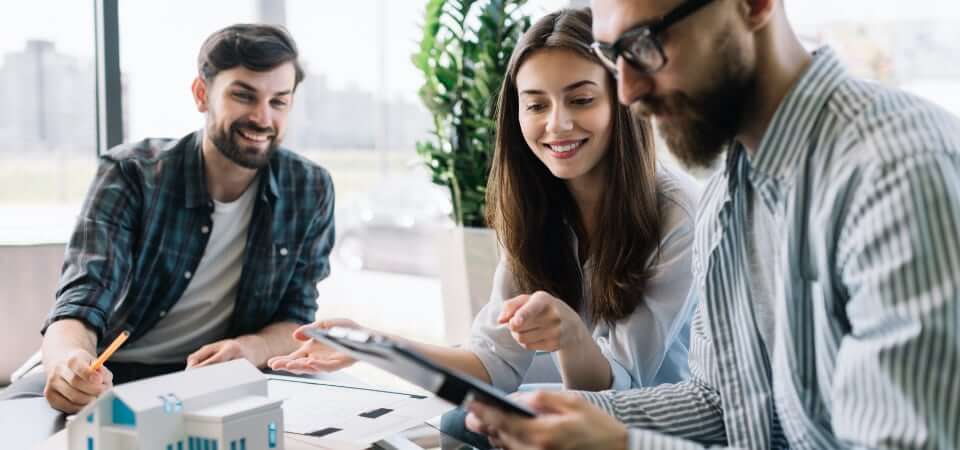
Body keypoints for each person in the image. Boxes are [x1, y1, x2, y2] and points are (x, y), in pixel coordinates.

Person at [464, 0, 960, 449]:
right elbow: (723, 403)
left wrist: (624, 446)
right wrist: (575, 416)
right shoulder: (728, 192)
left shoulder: (894, 166)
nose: (628, 91)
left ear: (753, 6)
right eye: (614, 54)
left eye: (645, 44)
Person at [269, 7, 699, 447]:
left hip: (644, 424)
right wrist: (374, 345)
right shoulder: (537, 206)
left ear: (620, 101)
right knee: (462, 420)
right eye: (536, 104)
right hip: (578, 410)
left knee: (482, 422)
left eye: (581, 99)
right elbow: (491, 363)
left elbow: (618, 389)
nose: (557, 123)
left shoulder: (676, 211)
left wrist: (570, 336)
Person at [0, 24, 335, 414]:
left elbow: (296, 320)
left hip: (217, 379)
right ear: (201, 95)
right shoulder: (132, 174)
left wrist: (252, 349)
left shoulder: (309, 188)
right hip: (110, 372)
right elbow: (81, 299)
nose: (263, 118)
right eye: (244, 96)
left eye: (279, 101)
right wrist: (66, 362)